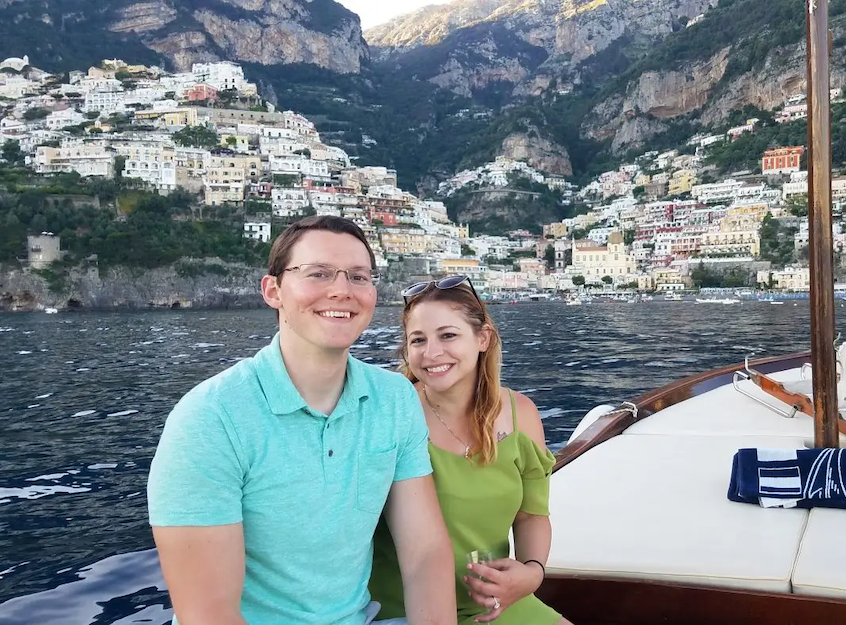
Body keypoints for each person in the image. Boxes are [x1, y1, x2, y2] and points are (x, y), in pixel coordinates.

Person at [147, 215, 456, 625]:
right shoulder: (210, 418)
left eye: (359, 277)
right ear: (273, 290)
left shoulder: (394, 399)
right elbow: (209, 614)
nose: (342, 290)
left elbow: (425, 554)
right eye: (319, 274)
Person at [369, 276, 572, 625]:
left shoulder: (522, 414)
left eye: (448, 335)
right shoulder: (394, 415)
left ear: (483, 338)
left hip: (496, 605)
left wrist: (530, 574)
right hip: (405, 611)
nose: (431, 353)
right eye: (418, 340)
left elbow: (532, 515)